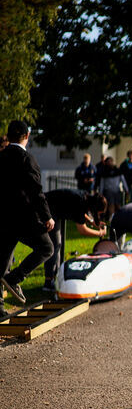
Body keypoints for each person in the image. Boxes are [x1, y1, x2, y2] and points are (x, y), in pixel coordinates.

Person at [0, 121, 55, 304]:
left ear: (8, 136)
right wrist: (47, 216)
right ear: (27, 136)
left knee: (3, 260)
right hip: (25, 218)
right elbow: (36, 192)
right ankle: (14, 279)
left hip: (4, 218)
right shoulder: (27, 159)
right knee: (46, 248)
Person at [42, 188, 108, 290]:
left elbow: (81, 215)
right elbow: (82, 230)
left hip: (54, 208)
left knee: (58, 244)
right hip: (47, 208)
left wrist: (92, 222)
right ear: (95, 208)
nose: (99, 215)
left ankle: (56, 277)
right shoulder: (81, 203)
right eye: (99, 213)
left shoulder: (86, 198)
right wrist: (100, 233)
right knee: (54, 245)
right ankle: (48, 281)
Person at [99, 156, 129, 221]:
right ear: (106, 163)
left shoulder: (118, 170)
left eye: (111, 161)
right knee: (111, 205)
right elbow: (102, 183)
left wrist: (126, 190)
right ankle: (111, 219)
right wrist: (100, 193)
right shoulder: (104, 172)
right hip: (108, 192)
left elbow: (123, 180)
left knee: (118, 205)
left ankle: (120, 218)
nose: (110, 163)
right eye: (108, 162)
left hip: (117, 191)